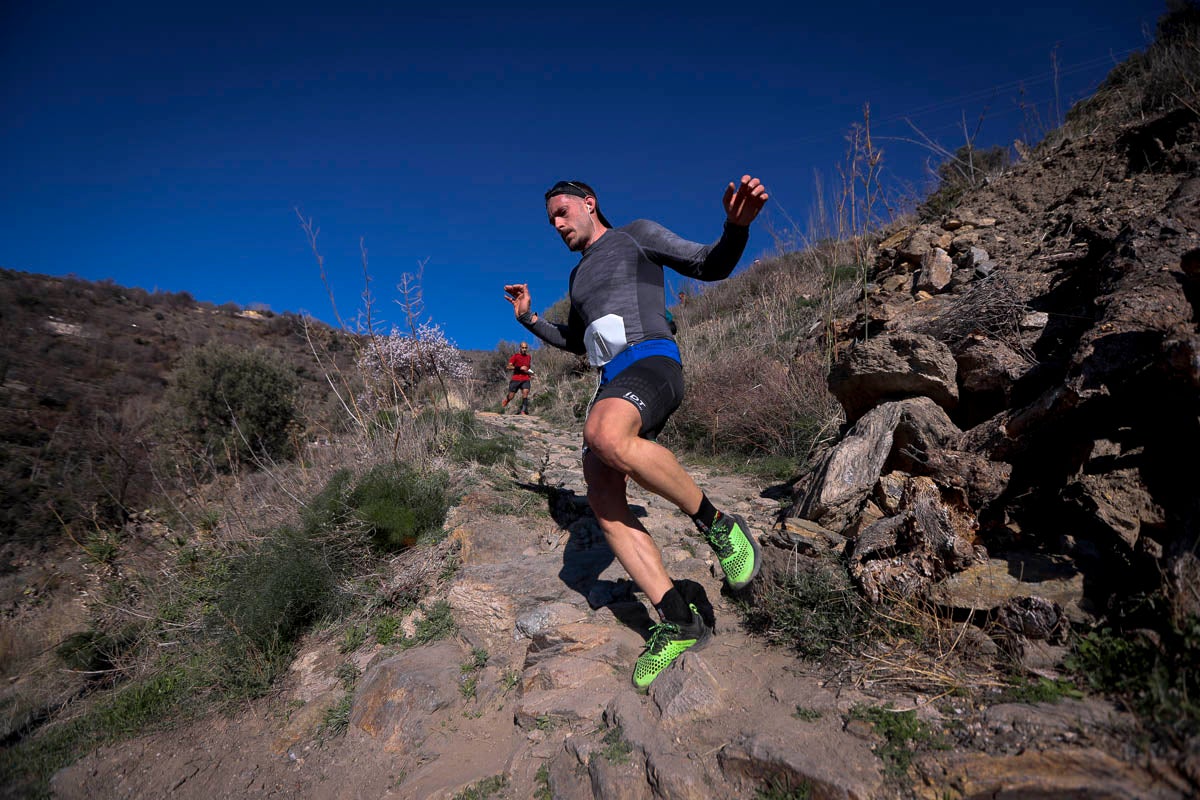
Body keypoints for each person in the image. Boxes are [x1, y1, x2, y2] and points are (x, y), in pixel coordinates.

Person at [503, 175, 769, 691]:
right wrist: (531, 319)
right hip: (612, 381)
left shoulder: (634, 236)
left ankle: (719, 527)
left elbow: (708, 263)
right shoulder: (578, 279)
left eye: (562, 212)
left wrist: (735, 228)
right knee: (602, 499)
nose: (557, 224)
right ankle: (678, 619)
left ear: (589, 203)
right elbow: (577, 341)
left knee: (603, 433)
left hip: (652, 362)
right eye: (550, 220)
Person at [501, 341, 533, 414]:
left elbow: (527, 368)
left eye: (525, 348)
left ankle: (523, 411)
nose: (524, 349)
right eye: (523, 348)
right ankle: (507, 400)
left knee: (525, 392)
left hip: (525, 378)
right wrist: (519, 368)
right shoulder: (515, 356)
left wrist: (531, 373)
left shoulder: (528, 357)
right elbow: (508, 366)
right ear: (520, 348)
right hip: (516, 378)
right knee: (511, 396)